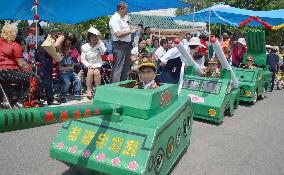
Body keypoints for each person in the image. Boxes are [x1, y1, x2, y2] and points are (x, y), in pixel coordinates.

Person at [0, 23, 41, 107]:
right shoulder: (15, 45)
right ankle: (20, 102)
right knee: (36, 80)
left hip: (1, 73)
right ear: (14, 33)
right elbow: (22, 64)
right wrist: (30, 69)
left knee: (26, 80)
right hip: (10, 72)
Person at [109, 2, 136, 83]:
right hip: (119, 45)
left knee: (126, 68)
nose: (127, 11)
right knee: (118, 68)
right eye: (126, 9)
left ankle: (122, 87)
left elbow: (123, 31)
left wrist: (129, 29)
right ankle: (114, 89)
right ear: (121, 9)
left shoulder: (123, 19)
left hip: (127, 45)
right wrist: (130, 31)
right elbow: (118, 34)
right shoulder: (114, 18)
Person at [81, 27, 107, 99]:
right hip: (88, 64)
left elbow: (103, 52)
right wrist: (88, 65)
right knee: (90, 73)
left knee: (96, 73)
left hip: (97, 64)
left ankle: (98, 91)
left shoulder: (99, 45)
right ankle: (88, 90)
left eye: (95, 36)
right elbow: (82, 59)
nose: (94, 38)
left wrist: (100, 42)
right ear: (89, 37)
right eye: (92, 36)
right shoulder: (84, 46)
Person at [58, 37, 82, 103]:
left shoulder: (70, 57)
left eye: (69, 47)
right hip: (63, 73)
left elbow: (72, 66)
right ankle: (62, 97)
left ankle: (76, 95)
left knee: (78, 79)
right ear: (62, 48)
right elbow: (59, 69)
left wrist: (72, 66)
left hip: (71, 73)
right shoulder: (60, 57)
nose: (68, 48)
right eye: (66, 47)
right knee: (67, 83)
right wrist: (69, 68)